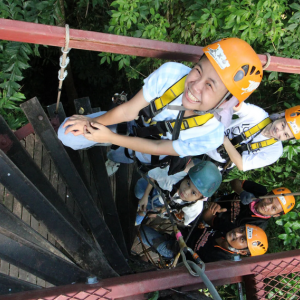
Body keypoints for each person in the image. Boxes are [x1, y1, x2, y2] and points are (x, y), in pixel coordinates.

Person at [58, 38, 263, 176]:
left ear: (227, 102)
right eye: (198, 71)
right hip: (130, 122)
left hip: (149, 149)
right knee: (67, 134)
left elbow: (158, 147)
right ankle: (106, 147)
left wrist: (109, 138)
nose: (195, 86)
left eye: (210, 86)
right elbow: (129, 110)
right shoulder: (171, 76)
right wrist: (91, 122)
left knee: (122, 155)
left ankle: (114, 157)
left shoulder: (209, 136)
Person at [139, 204, 268, 262]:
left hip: (175, 251)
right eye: (241, 230)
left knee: (142, 231)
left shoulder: (221, 260)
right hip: (185, 231)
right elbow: (208, 218)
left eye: (243, 239)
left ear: (243, 252)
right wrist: (213, 208)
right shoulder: (229, 229)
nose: (237, 233)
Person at [205, 105, 300, 172]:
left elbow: (241, 164)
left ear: (288, 139)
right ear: (281, 116)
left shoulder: (274, 151)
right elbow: (236, 105)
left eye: (286, 135)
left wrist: (225, 141)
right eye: (283, 125)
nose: (279, 131)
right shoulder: (259, 115)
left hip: (215, 162)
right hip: (206, 135)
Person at [135, 160, 222, 226]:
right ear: (186, 177)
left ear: (200, 198)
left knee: (142, 214)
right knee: (138, 192)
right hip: (156, 188)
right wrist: (145, 196)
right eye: (188, 183)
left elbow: (184, 221)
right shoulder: (173, 176)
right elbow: (153, 175)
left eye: (193, 193)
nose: (186, 191)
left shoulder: (195, 207)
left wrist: (165, 211)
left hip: (161, 204)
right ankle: (142, 205)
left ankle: (143, 211)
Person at [209, 179, 295, 230]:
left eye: (273, 208)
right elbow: (235, 181)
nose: (267, 206)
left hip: (211, 222)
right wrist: (241, 192)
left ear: (276, 215)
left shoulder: (257, 226)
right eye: (269, 199)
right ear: (267, 194)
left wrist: (213, 215)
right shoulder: (259, 191)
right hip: (214, 200)